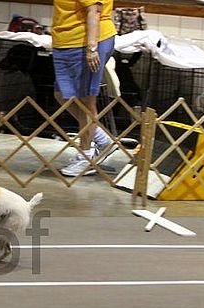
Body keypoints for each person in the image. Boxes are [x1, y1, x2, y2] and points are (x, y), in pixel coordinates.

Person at [51, 0, 117, 176]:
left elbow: (94, 11)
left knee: (86, 100)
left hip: (85, 41)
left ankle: (85, 157)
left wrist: (92, 48)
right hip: (65, 42)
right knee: (60, 94)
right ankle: (103, 140)